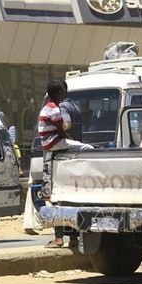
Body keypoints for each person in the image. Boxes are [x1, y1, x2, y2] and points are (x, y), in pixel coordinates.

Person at [39, 79, 93, 248]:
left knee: (61, 201)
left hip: (56, 155)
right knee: (88, 148)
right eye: (62, 90)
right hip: (58, 149)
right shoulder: (58, 109)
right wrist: (66, 134)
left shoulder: (51, 107)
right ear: (59, 92)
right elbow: (62, 128)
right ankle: (66, 238)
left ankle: (66, 238)